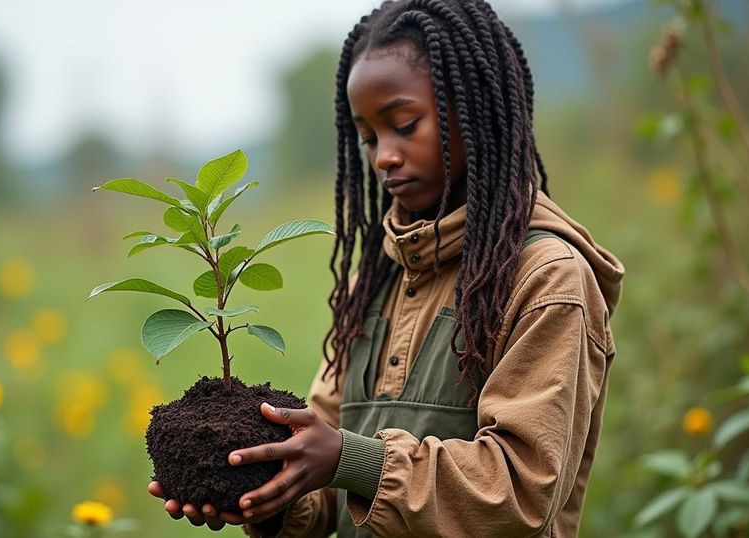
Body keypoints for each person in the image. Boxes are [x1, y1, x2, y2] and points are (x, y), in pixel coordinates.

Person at [148, 0, 624, 536]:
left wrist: (356, 461)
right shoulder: (374, 281)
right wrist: (269, 495)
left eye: (405, 125)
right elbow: (328, 477)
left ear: (477, 112)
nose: (383, 157)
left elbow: (520, 493)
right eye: (368, 138)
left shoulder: (546, 281)